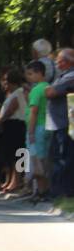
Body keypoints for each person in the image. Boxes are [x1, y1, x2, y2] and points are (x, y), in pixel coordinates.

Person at [0, 67, 27, 194]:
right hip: (9, 126)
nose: (4, 83)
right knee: (9, 155)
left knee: (18, 153)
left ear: (12, 81)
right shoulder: (10, 94)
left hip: (16, 124)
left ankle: (17, 180)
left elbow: (10, 111)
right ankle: (10, 180)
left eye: (6, 80)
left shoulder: (19, 93)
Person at [43, 48, 74, 198]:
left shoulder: (71, 76)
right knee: (57, 157)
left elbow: (50, 92)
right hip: (58, 123)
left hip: (64, 123)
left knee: (63, 158)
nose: (56, 62)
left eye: (60, 60)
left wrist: (50, 88)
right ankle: (56, 190)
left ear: (68, 62)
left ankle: (62, 191)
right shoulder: (63, 76)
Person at [24, 60, 51, 203]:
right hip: (47, 126)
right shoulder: (48, 87)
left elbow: (33, 112)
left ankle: (42, 191)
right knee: (44, 160)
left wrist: (30, 132)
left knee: (36, 161)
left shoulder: (36, 90)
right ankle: (41, 191)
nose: (28, 77)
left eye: (30, 73)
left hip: (37, 128)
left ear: (39, 73)